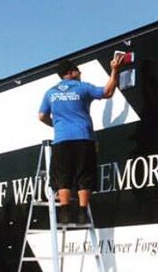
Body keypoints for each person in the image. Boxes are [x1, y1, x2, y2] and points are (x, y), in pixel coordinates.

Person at [38, 54, 125, 223]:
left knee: (63, 175)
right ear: (71, 73)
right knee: (84, 174)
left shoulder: (50, 93)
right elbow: (107, 92)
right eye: (78, 71)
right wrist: (115, 70)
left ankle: (64, 211)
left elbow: (41, 116)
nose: (80, 73)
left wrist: (57, 125)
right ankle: (82, 211)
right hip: (83, 137)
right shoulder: (82, 88)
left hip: (61, 140)